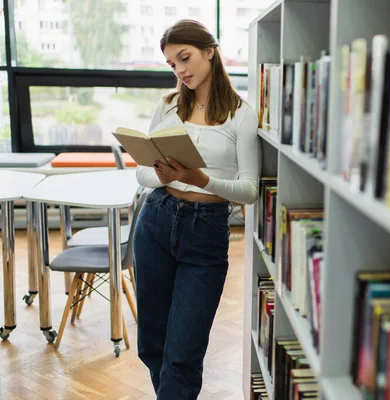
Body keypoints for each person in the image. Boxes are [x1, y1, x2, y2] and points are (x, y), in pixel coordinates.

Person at [133, 19, 261, 399]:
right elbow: (142, 171)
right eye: (172, 64)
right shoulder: (168, 105)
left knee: (184, 352)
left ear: (210, 51)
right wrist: (165, 174)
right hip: (156, 217)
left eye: (184, 58)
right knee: (152, 343)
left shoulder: (242, 114)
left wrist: (201, 179)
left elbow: (251, 190)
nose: (180, 70)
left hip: (205, 231)